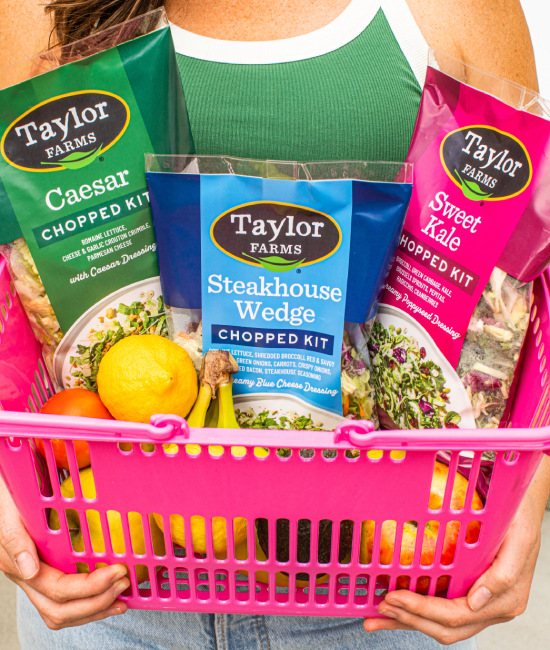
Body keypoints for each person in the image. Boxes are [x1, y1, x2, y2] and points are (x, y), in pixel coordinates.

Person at [1, 1, 549, 648]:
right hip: (109, 585)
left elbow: (520, 277)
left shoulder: (451, 9)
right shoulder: (42, 8)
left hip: (379, 590)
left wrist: (526, 505)